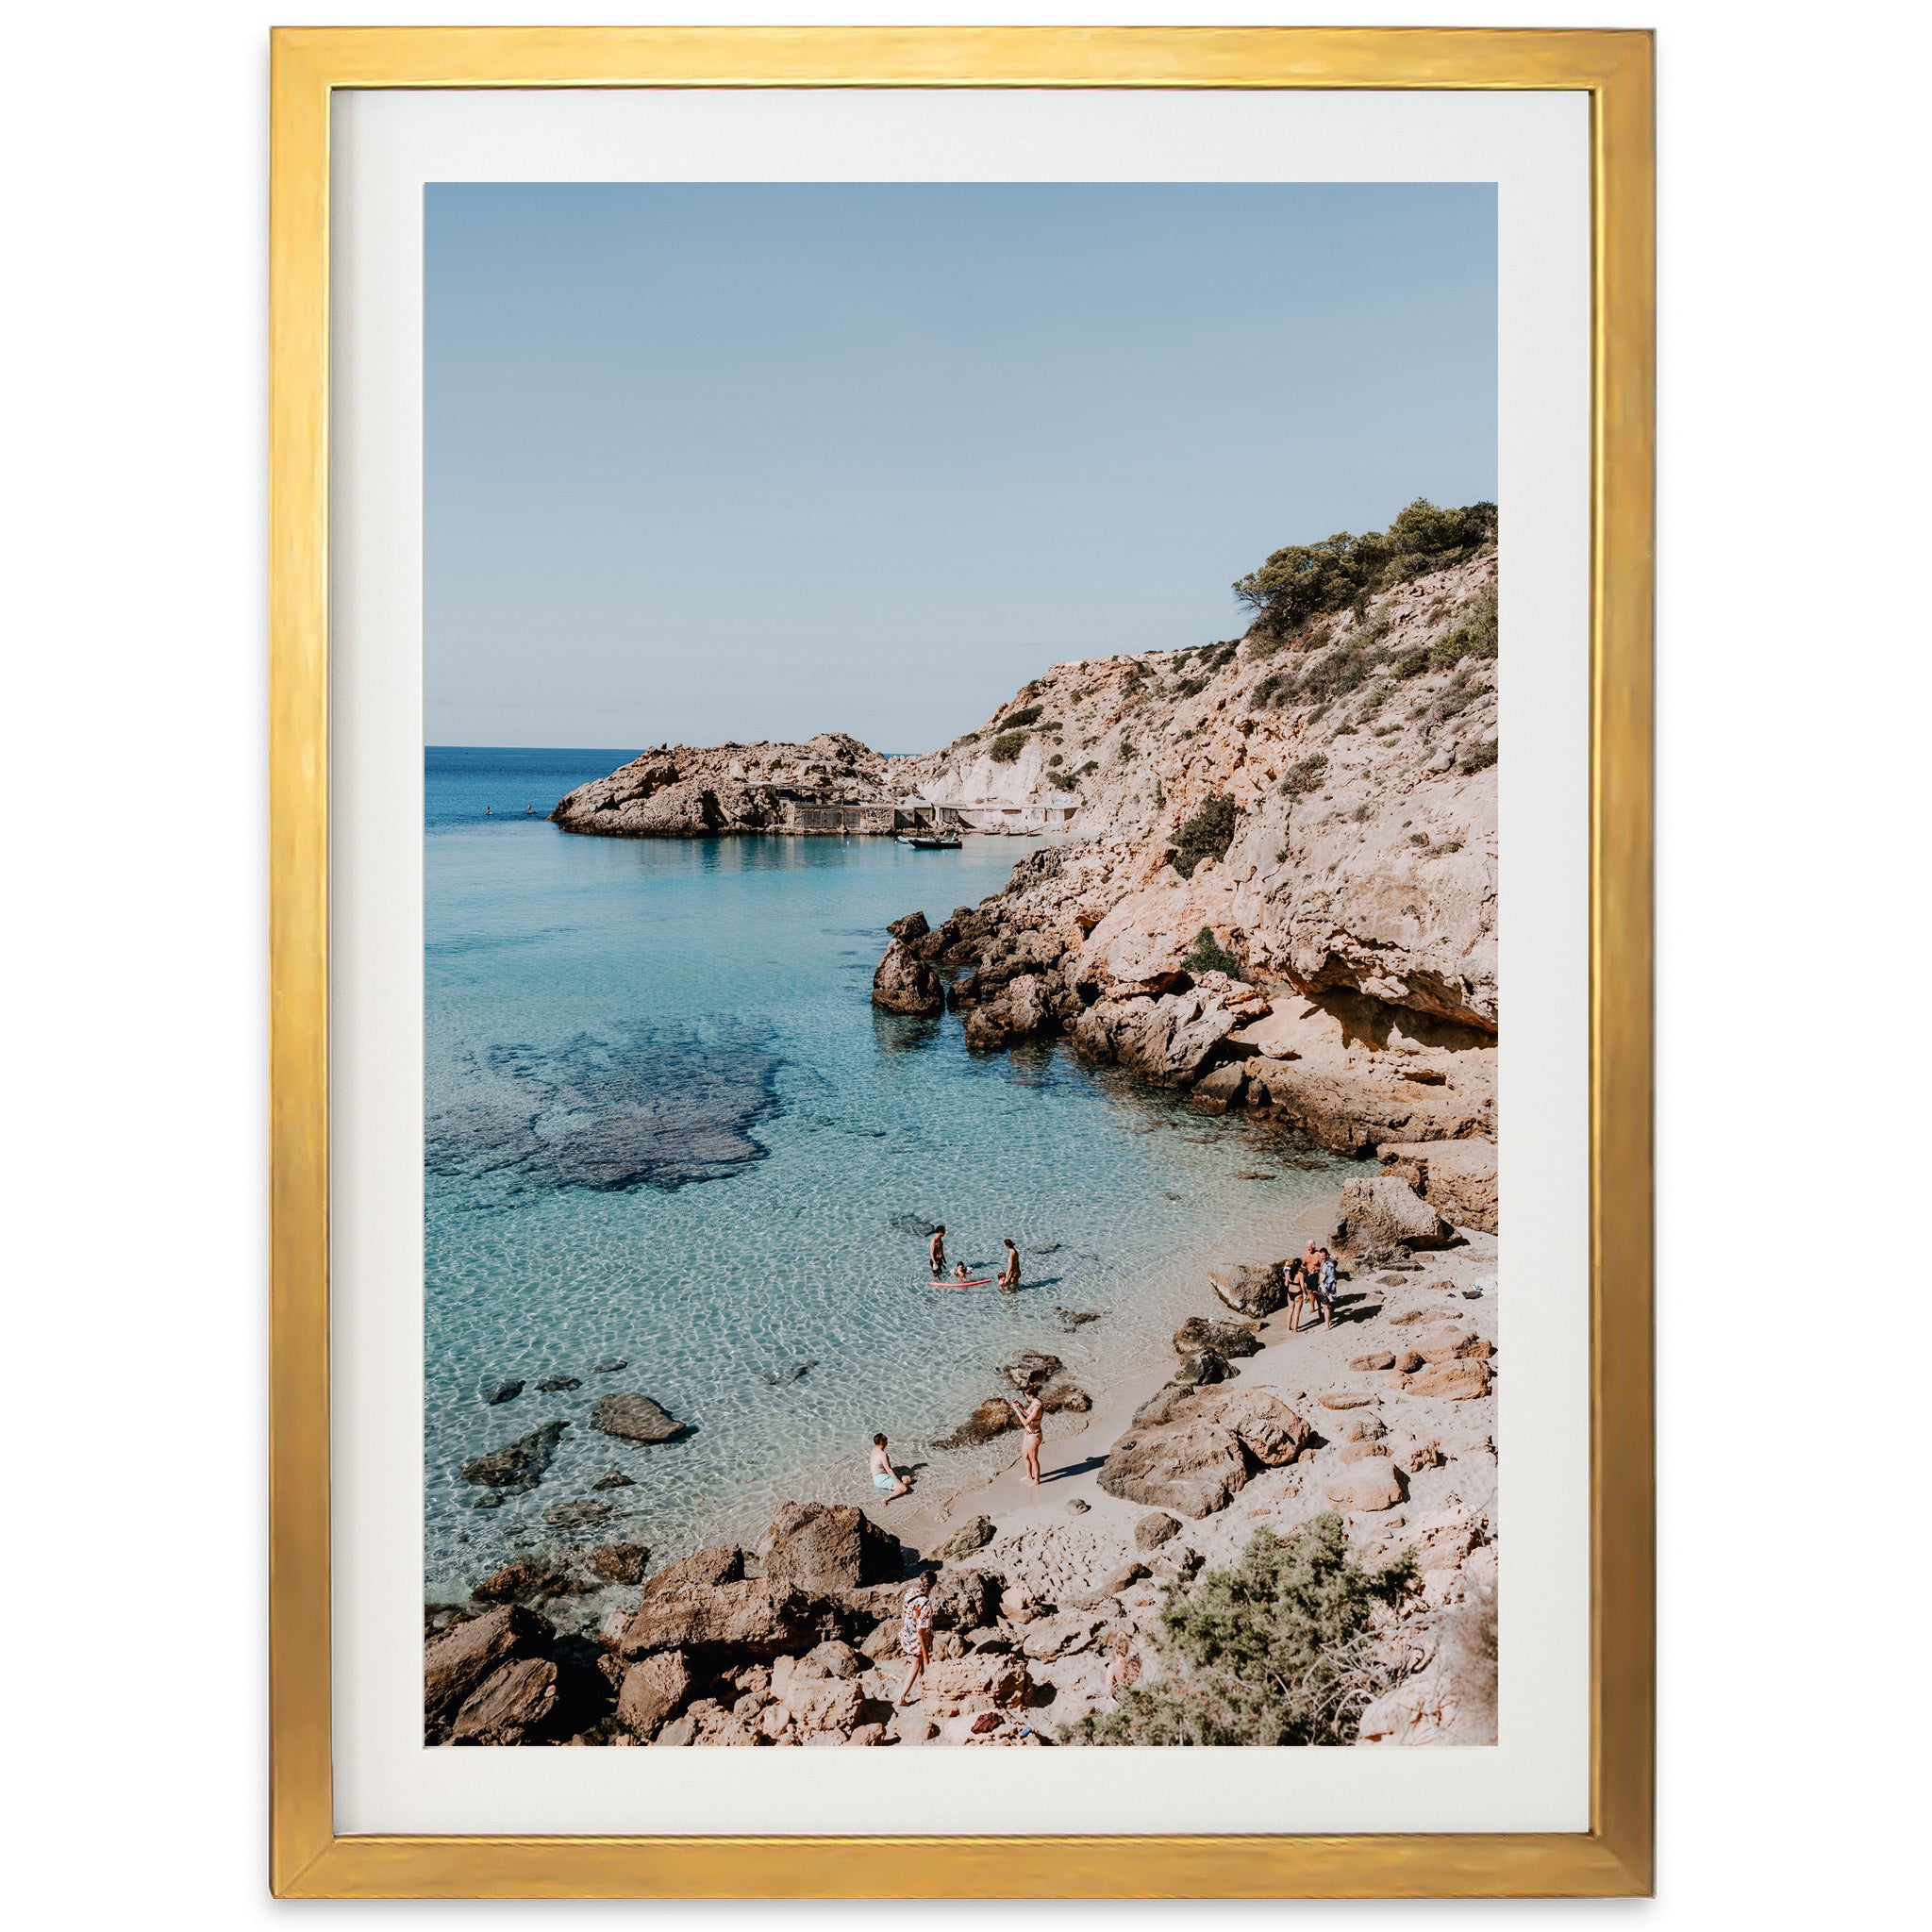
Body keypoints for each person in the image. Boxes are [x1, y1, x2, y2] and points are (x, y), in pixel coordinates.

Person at [895, 1571, 937, 1707]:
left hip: (906, 1632)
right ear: (933, 1585)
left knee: (919, 1662)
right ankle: (902, 1698)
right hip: (915, 1636)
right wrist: (929, 1639)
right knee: (916, 1664)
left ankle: (923, 1685)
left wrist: (903, 1629)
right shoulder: (926, 1604)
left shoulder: (910, 1592)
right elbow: (921, 1629)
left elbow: (903, 1612)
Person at [1008, 1386, 1044, 1486]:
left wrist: (1016, 1410)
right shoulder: (1034, 1401)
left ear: (1031, 1395)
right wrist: (1020, 1406)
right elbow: (1028, 1413)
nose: (1026, 1398)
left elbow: (1025, 1422)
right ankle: (1029, 1475)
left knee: (1033, 1458)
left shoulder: (1037, 1407)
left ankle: (1037, 1480)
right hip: (1028, 1434)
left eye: (1026, 1396)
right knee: (1024, 1455)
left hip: (1035, 1435)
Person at [870, 1432, 910, 1503]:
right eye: (886, 1440)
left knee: (908, 1479)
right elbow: (889, 1470)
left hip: (879, 1476)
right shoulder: (883, 1454)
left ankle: (895, 1489)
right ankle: (887, 1498)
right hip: (881, 1479)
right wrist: (898, 1481)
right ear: (882, 1442)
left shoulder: (874, 1450)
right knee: (904, 1488)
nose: (887, 1442)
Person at [1313, 1246, 1339, 1331]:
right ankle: (1328, 1322)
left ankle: (1327, 1325)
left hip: (1326, 1288)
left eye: (1323, 1256)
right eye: (1320, 1256)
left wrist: (1323, 1287)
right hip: (1324, 1287)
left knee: (1325, 1306)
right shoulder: (1325, 1262)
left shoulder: (1329, 1265)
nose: (1321, 1258)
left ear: (1327, 1255)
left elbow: (1330, 1278)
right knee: (1326, 1306)